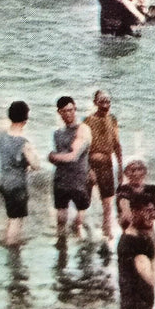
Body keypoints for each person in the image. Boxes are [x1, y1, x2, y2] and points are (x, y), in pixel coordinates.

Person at [0, 100, 40, 246]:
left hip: (3, 182)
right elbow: (36, 165)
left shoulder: (1, 136)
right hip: (17, 185)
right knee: (17, 219)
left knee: (11, 215)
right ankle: (12, 246)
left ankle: (7, 241)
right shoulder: (24, 143)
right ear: (26, 119)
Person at [48, 96, 93, 238]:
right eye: (65, 111)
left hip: (78, 177)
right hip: (62, 178)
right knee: (61, 215)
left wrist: (52, 157)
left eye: (71, 110)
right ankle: (62, 242)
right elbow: (64, 158)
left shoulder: (82, 129)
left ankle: (76, 238)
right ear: (59, 112)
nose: (69, 114)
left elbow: (73, 156)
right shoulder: (57, 133)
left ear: (75, 109)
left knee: (80, 214)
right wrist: (54, 158)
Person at [83, 90, 124, 240]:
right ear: (95, 103)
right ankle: (84, 229)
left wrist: (120, 168)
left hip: (107, 164)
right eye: (102, 101)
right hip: (91, 163)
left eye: (108, 101)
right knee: (85, 201)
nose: (105, 105)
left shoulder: (112, 120)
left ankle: (107, 232)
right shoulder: (88, 121)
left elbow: (117, 144)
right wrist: (88, 169)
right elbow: (83, 148)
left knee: (107, 201)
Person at [115, 158, 155, 232]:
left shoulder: (152, 189)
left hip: (148, 230)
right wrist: (144, 213)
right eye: (133, 170)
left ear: (144, 172)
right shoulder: (123, 189)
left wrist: (153, 212)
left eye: (139, 169)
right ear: (126, 173)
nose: (136, 173)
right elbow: (126, 215)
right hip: (131, 231)